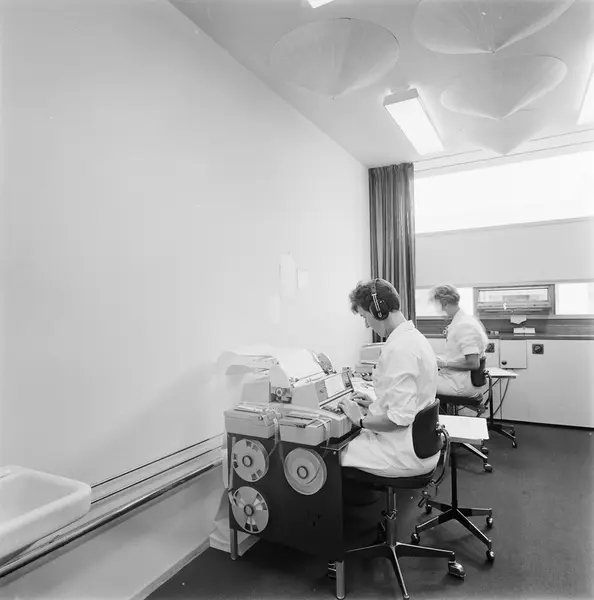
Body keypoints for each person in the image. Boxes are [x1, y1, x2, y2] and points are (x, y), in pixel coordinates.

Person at [337, 278, 441, 478]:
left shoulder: (399, 348)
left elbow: (398, 420)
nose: (367, 324)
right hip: (423, 445)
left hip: (402, 454)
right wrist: (375, 404)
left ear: (378, 311)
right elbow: (411, 402)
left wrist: (360, 419)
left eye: (365, 317)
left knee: (331, 452)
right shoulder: (415, 338)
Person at [429, 283, 488, 397]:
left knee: (417, 384)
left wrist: (444, 363)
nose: (438, 309)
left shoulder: (465, 325)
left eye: (437, 304)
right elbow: (460, 355)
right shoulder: (463, 321)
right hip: (457, 379)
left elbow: (473, 363)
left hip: (459, 384)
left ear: (445, 303)